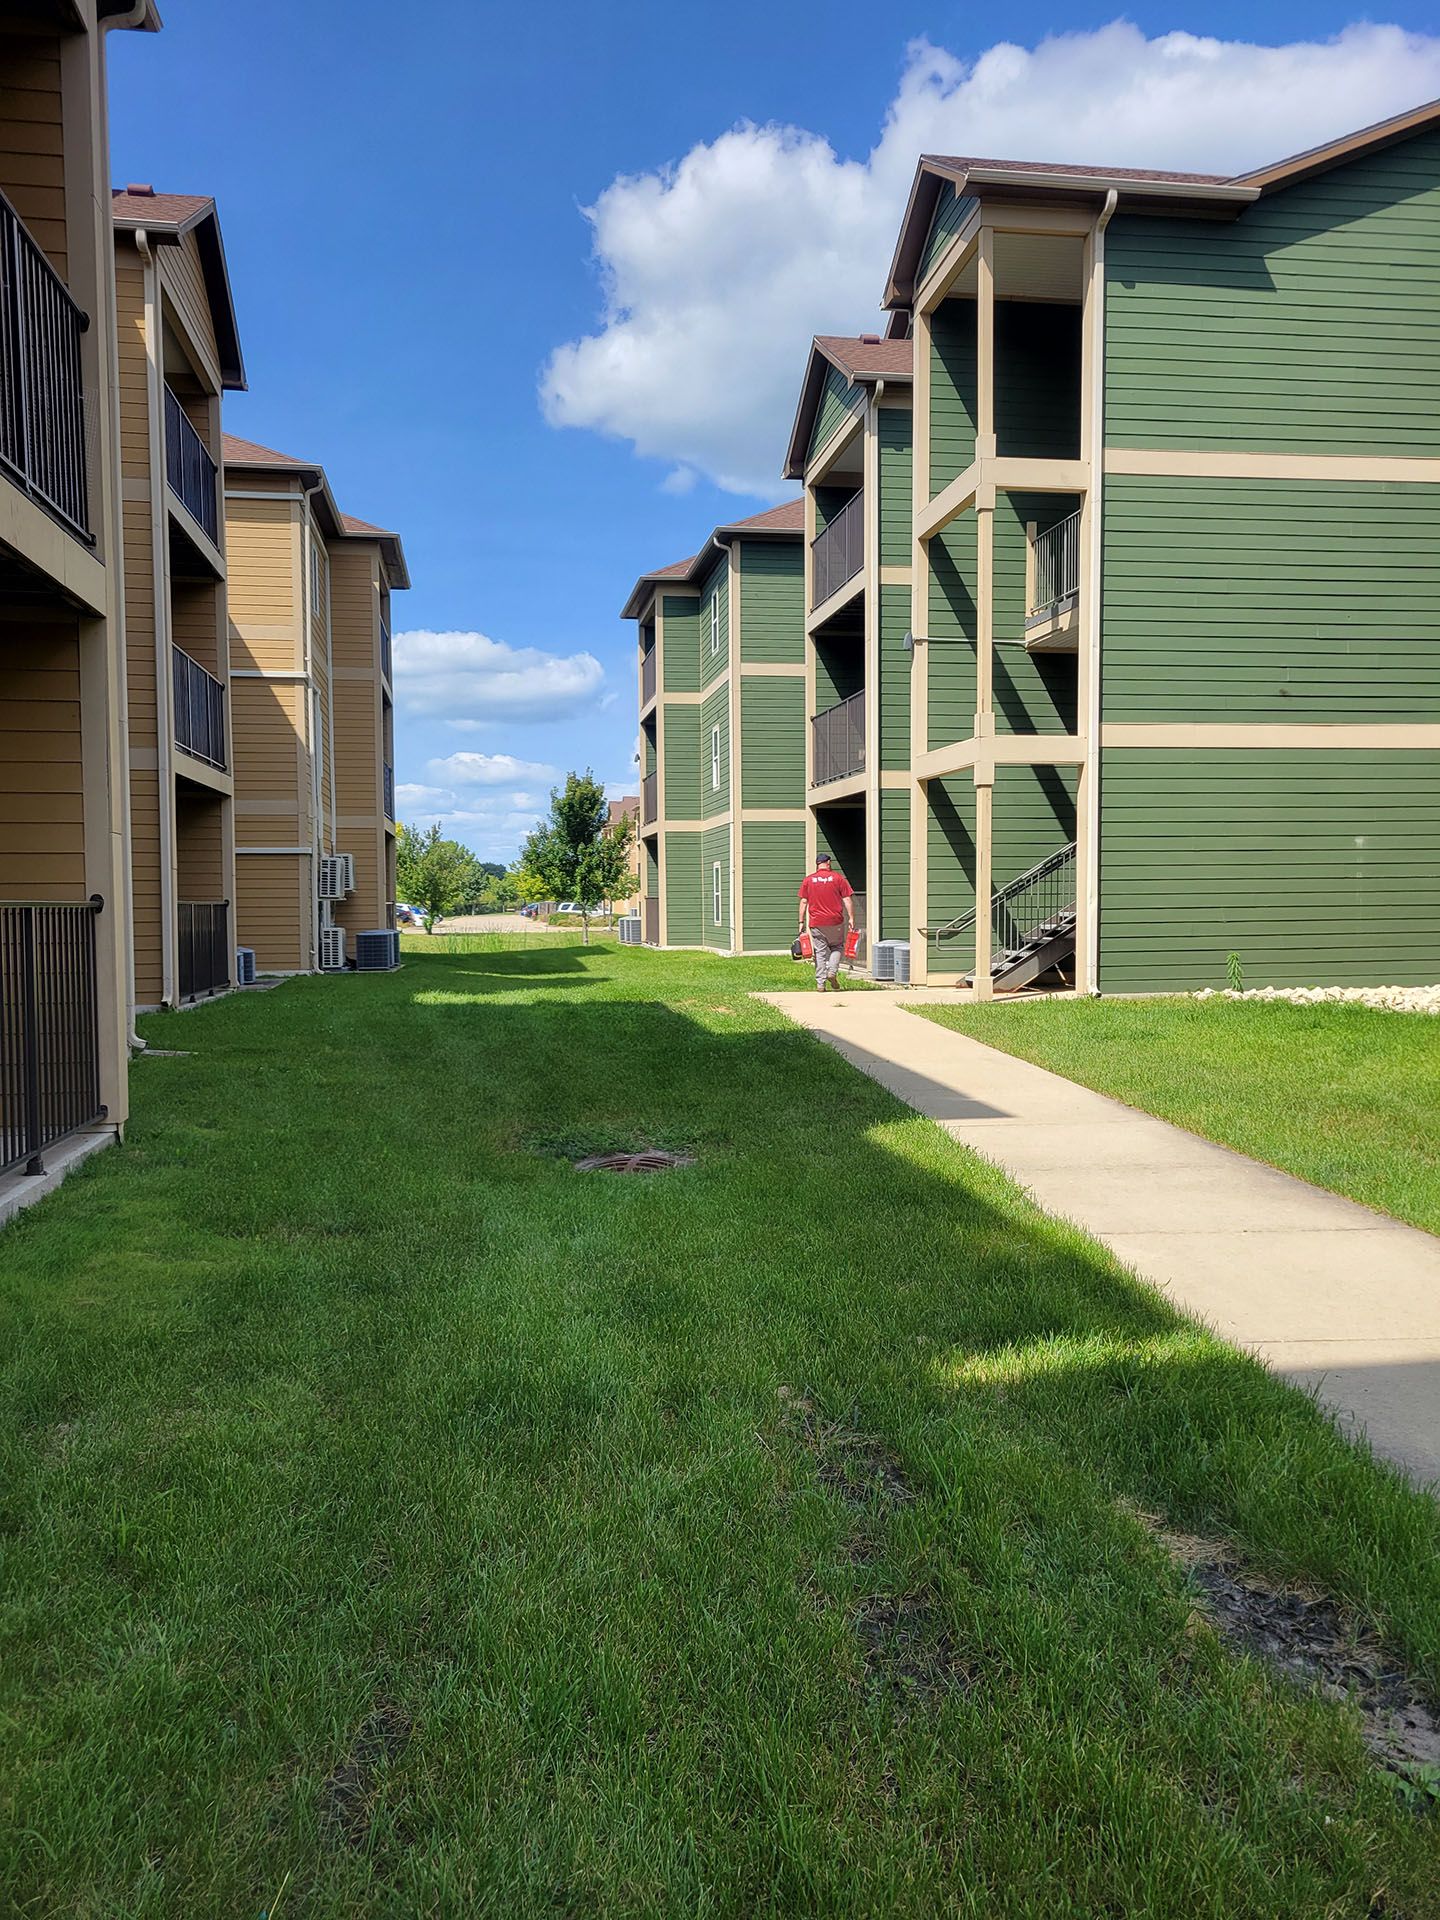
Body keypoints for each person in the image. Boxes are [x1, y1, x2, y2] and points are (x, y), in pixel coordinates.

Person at [797, 852, 855, 993]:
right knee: (837, 947)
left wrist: (801, 921)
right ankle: (832, 972)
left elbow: (804, 901)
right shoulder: (838, 878)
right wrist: (852, 918)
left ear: (818, 864)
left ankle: (820, 984)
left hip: (816, 922)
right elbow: (847, 899)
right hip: (835, 921)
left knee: (820, 952)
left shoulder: (808, 880)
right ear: (828, 862)